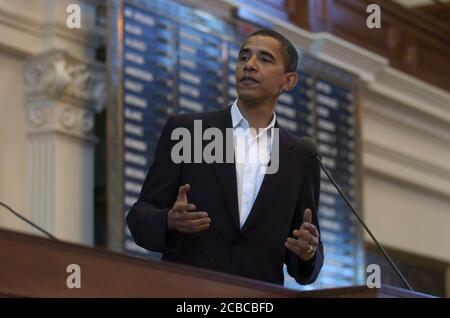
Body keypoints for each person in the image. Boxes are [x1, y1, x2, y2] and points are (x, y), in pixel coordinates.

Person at [127, 29, 323, 285]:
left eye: (264, 59)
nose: (249, 66)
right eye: (244, 57)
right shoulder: (188, 132)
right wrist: (168, 220)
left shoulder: (301, 155)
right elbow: (140, 216)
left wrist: (308, 253)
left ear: (288, 81)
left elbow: (304, 254)